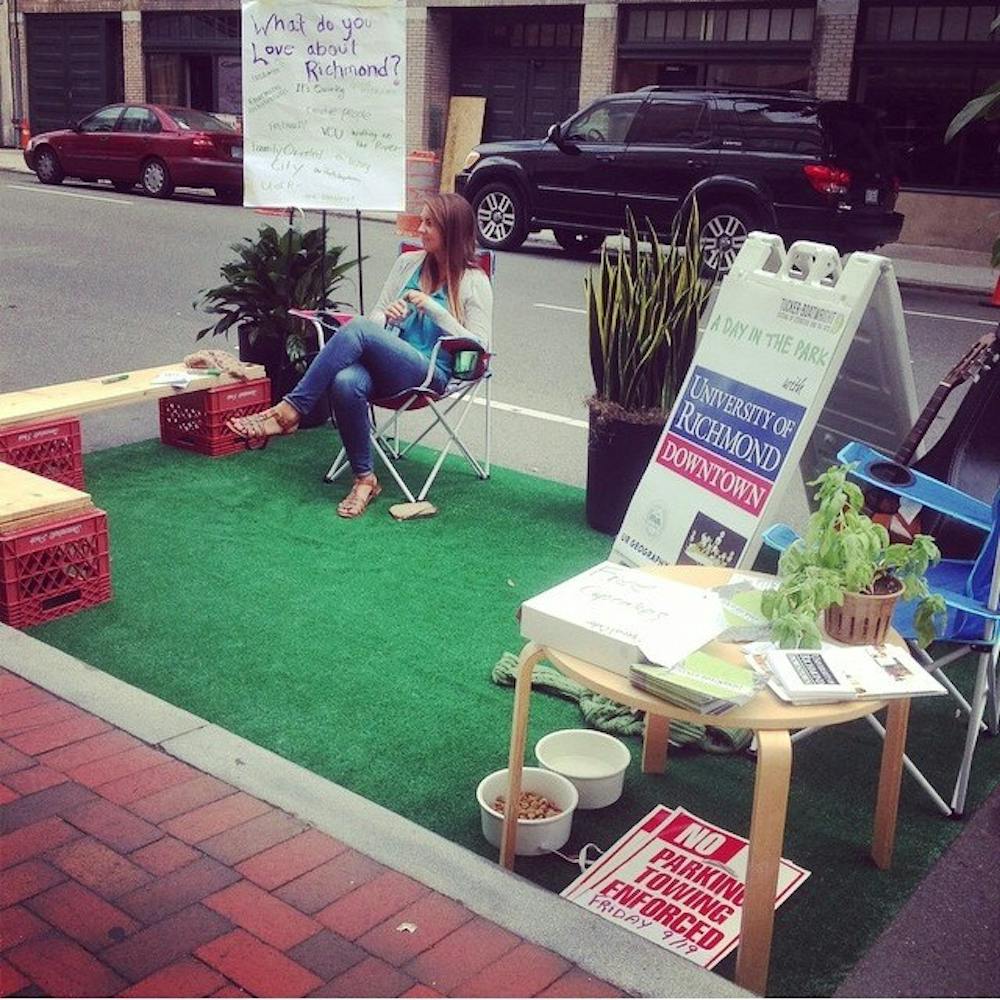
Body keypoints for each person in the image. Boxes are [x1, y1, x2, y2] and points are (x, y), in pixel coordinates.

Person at [227, 193, 493, 518]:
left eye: (429, 223)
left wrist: (437, 312)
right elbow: (375, 318)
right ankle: (365, 479)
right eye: (421, 220)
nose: (420, 229)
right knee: (346, 379)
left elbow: (479, 347)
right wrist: (387, 317)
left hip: (432, 374)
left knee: (358, 330)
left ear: (451, 231)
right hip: (390, 365)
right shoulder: (407, 264)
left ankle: (290, 410)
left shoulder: (474, 281)